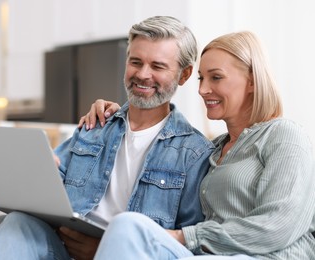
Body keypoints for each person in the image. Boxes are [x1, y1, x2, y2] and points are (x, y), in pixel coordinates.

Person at [0, 16, 214, 260]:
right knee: (18, 223)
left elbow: (186, 243)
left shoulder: (194, 153)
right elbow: (52, 190)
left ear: (184, 75)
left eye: (158, 66)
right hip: (64, 249)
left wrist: (105, 249)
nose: (143, 74)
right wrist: (39, 172)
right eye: (136, 62)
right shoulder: (95, 125)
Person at [83, 31, 315, 259]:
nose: (202, 90)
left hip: (265, 256)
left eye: (216, 77)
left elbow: (278, 225)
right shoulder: (210, 150)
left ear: (252, 81)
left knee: (132, 228)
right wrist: (117, 116)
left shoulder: (284, 135)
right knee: (127, 226)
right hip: (207, 253)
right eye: (201, 78)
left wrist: (184, 237)